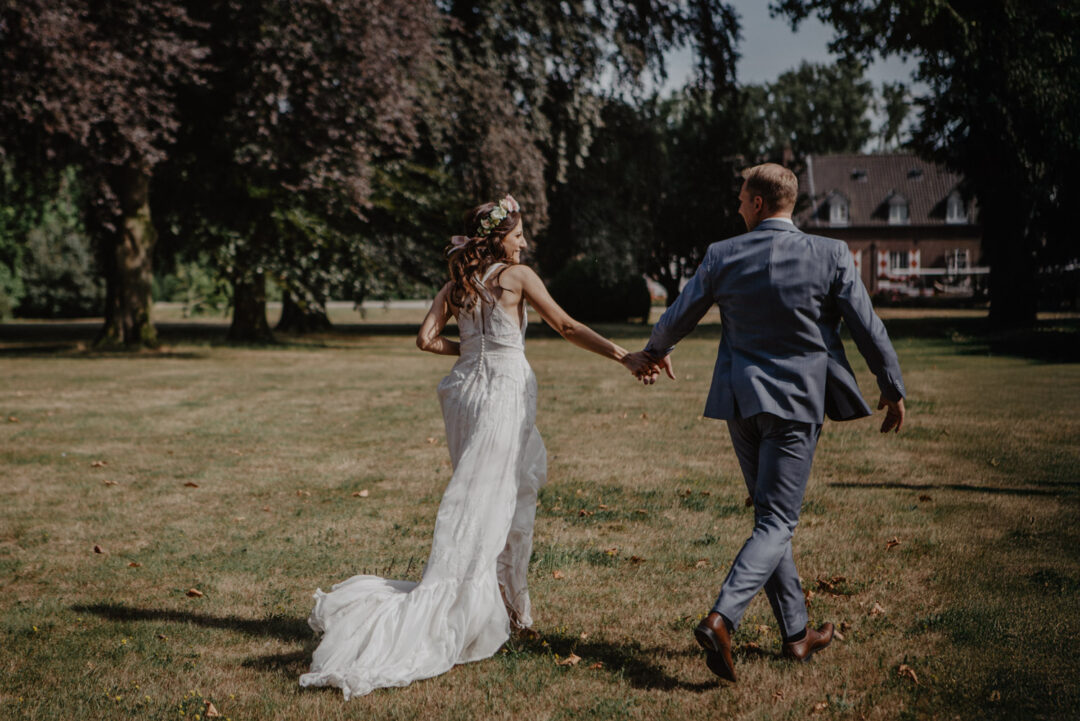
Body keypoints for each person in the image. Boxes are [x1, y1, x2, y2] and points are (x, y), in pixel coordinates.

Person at [300, 194, 650, 699]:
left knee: (480, 495)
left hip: (465, 391)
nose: (524, 242)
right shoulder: (517, 276)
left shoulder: (456, 283)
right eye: (519, 234)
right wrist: (624, 356)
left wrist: (472, 346)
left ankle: (509, 608)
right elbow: (566, 325)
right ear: (497, 237)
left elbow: (425, 339)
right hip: (504, 390)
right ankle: (488, 613)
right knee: (500, 498)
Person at [625, 163, 906, 682]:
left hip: (741, 403)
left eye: (740, 199)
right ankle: (721, 618)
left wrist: (653, 352)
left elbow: (681, 313)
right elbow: (869, 325)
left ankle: (797, 636)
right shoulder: (830, 254)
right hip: (796, 405)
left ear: (758, 203)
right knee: (778, 521)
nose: (736, 207)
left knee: (770, 520)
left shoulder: (722, 255)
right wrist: (891, 387)